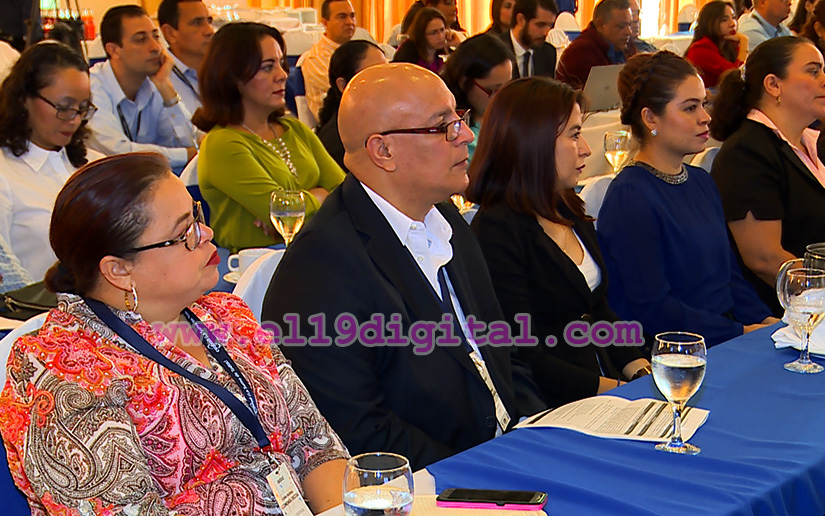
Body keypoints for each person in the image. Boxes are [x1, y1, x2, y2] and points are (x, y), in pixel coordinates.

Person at [0, 152, 349, 515]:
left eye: (196, 217)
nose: (207, 234)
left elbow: (315, 444)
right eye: (183, 234)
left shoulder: (227, 314)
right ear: (119, 270)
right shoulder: (65, 371)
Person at [261, 63, 547, 471]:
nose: (466, 135)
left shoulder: (447, 222)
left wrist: (539, 430)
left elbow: (503, 355)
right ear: (383, 151)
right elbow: (356, 429)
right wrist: (486, 471)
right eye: (443, 126)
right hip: (440, 479)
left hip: (512, 452)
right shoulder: (320, 266)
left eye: (460, 119)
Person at [467, 77, 650, 406]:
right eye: (575, 134)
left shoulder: (566, 205)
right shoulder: (497, 230)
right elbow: (521, 351)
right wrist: (616, 390)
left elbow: (597, 309)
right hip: (553, 402)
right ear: (532, 142)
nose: (586, 149)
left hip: (604, 386)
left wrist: (640, 370)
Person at [597, 51, 775, 347]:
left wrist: (767, 322)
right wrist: (741, 333)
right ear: (650, 118)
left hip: (726, 336)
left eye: (703, 104)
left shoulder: (701, 181)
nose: (705, 117)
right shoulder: (630, 196)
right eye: (690, 108)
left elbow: (729, 277)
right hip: (679, 351)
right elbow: (654, 309)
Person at [194, 23, 345, 253]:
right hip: (254, 265)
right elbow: (281, 213)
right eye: (267, 67)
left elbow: (346, 193)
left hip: (313, 250)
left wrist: (294, 209)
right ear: (233, 78)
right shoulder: (222, 143)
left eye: (281, 63)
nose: (283, 75)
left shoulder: (293, 128)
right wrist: (322, 194)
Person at [710, 36, 825, 314]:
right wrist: (820, 291)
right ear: (774, 85)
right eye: (813, 71)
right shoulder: (747, 152)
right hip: (783, 313)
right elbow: (764, 259)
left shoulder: (813, 141)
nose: (824, 80)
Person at [0, 41, 100, 282]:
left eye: (82, 108)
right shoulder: (6, 173)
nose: (74, 120)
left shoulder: (96, 164)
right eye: (64, 107)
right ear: (24, 98)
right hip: (33, 303)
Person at [87, 5, 197, 171]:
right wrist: (186, 155)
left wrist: (166, 87)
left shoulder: (154, 83)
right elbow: (117, 153)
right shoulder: (90, 88)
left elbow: (191, 142)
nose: (156, 47)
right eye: (141, 40)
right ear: (114, 50)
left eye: (156, 37)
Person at [316, 40, 387, 171]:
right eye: (374, 75)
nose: (386, 82)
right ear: (343, 85)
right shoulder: (337, 141)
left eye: (386, 73)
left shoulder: (388, 121)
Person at [440, 33, 513, 160]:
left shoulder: (506, 115)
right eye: (493, 90)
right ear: (464, 82)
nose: (503, 97)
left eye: (507, 86)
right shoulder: (452, 132)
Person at [301, 0, 358, 122]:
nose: (349, 22)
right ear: (325, 23)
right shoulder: (316, 58)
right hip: (337, 123)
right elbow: (349, 95)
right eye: (342, 17)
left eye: (352, 16)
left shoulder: (357, 51)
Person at [557, 0, 632, 88]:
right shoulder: (580, 52)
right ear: (600, 25)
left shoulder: (626, 46)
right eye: (621, 26)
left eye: (629, 25)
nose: (628, 32)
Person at [157, 0, 214, 116]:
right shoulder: (158, 81)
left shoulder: (223, 70)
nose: (209, 31)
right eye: (197, 23)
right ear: (169, 33)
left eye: (209, 21)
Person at [685, 1, 748, 88]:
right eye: (724, 20)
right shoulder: (701, 48)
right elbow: (736, 77)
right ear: (710, 23)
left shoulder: (728, 45)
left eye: (733, 18)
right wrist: (744, 44)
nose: (732, 24)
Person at [498, 0, 558, 79]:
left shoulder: (548, 53)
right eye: (540, 25)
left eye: (550, 26)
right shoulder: (495, 49)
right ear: (520, 20)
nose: (546, 33)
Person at [393, 8, 449, 73]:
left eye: (442, 30)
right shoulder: (409, 50)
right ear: (421, 34)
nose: (440, 36)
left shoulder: (444, 54)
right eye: (433, 33)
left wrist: (457, 44)